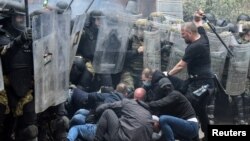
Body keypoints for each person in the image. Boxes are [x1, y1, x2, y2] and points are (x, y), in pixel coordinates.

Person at [164, 10, 215, 141]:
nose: (182, 37)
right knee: (200, 109)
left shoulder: (195, 47)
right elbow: (198, 23)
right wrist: (197, 17)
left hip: (203, 84)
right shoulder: (203, 36)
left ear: (190, 33)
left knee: (186, 104)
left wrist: (168, 73)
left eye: (183, 34)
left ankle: (191, 136)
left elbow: (181, 66)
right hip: (196, 81)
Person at [0, 9, 37, 141]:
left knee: (30, 129)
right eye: (18, 17)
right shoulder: (2, 35)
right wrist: (18, 41)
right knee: (5, 128)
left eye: (23, 16)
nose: (22, 20)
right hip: (5, 90)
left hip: (25, 88)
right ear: (11, 18)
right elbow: (4, 55)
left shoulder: (30, 36)